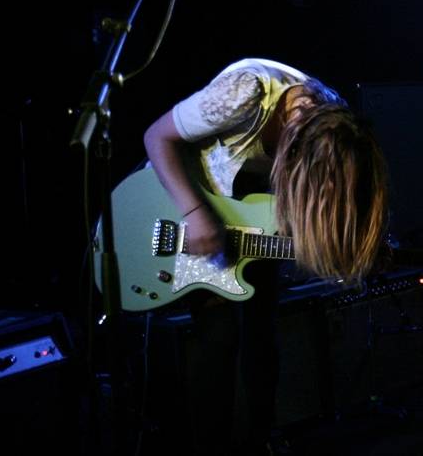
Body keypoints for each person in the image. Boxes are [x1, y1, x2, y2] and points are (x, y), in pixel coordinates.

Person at [142, 57, 388, 456]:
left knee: (262, 338)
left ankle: (261, 439)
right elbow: (156, 137)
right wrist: (195, 212)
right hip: (190, 207)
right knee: (218, 342)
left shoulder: (335, 121)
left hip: (252, 212)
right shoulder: (244, 94)